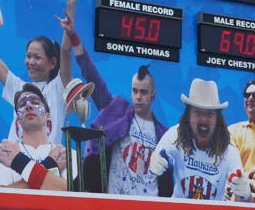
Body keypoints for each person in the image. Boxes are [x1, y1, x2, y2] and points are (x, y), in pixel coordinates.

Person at [62, 12, 172, 196]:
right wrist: (73, 36)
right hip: (114, 204)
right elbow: (91, 74)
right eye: (135, 91)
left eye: (143, 92)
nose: (138, 97)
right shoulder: (116, 111)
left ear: (153, 95)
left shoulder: (163, 134)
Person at [0, 0, 87, 147]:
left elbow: (65, 50)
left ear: (52, 63)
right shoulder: (18, 88)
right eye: (28, 56)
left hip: (46, 169)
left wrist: (70, 6)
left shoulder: (58, 88)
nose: (30, 62)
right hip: (14, 167)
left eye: (37, 57)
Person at [148, 79, 248, 202]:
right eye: (198, 112)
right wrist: (155, 161)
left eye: (210, 114)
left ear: (218, 119)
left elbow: (242, 197)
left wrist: (244, 192)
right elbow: (157, 157)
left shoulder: (229, 149)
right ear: (188, 115)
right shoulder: (176, 134)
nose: (204, 119)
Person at [0, 84, 71, 190]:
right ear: (17, 120)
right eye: (22, 105)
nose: (28, 106)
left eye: (35, 102)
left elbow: (74, 193)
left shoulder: (66, 155)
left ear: (48, 116)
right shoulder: (0, 153)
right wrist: (49, 165)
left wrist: (18, 161)